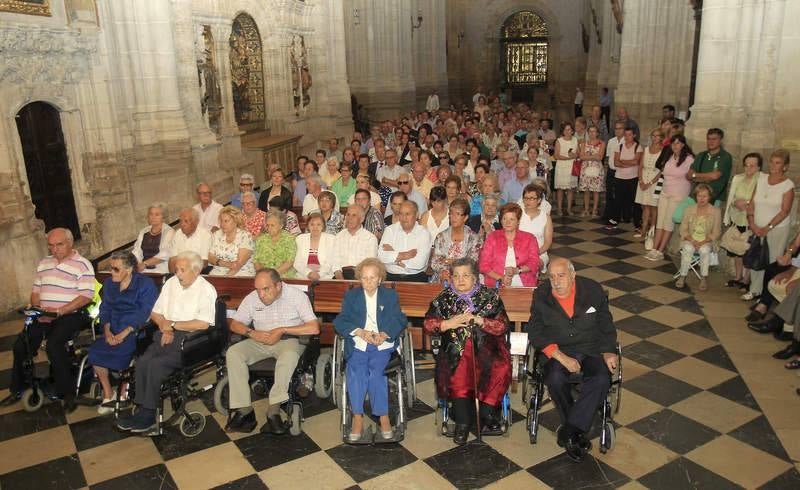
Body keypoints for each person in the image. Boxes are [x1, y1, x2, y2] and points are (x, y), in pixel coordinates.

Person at [527, 257, 618, 462]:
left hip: (591, 348)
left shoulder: (593, 290)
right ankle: (577, 432)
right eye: (552, 277)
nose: (556, 281)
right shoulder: (541, 295)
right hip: (558, 349)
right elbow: (535, 331)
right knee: (555, 379)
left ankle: (569, 431)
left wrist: (609, 351)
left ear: (573, 275)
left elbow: (605, 322)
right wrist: (560, 356)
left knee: (601, 379)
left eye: (561, 276)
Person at [116, 252, 217, 433]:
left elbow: (203, 323)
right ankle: (141, 407)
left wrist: (172, 325)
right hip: (165, 333)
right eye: (176, 269)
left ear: (196, 270)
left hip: (189, 340)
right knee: (142, 362)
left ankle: (148, 415)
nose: (177, 273)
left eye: (182, 270)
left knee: (156, 365)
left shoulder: (206, 289)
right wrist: (165, 326)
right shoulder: (171, 283)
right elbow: (155, 312)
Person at [0, 228, 95, 412]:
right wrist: (38, 309)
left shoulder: (82, 265)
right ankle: (18, 388)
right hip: (44, 314)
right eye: (51, 245)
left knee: (54, 345)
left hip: (71, 314)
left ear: (70, 243)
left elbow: (85, 297)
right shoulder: (44, 263)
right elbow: (36, 292)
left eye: (59, 244)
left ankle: (68, 394)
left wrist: (60, 311)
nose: (54, 249)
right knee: (21, 346)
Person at [424, 258, 511, 445]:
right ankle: (463, 423)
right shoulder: (443, 299)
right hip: (454, 351)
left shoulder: (490, 297)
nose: (460, 280)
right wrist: (447, 323)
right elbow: (429, 323)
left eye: (465, 275)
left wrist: (481, 321)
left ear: (475, 277)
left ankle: (486, 412)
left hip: (489, 350)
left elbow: (502, 325)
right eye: (456, 276)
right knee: (459, 372)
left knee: (499, 369)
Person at [223, 268, 320, 434]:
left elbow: (314, 328)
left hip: (287, 340)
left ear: (279, 285)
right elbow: (235, 324)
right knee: (233, 353)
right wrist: (252, 333)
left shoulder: (297, 297)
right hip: (259, 340)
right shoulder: (252, 298)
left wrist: (282, 330)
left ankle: (273, 410)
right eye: (258, 289)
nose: (261, 295)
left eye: (265, 289)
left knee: (288, 357)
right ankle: (244, 410)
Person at [333, 258, 407, 441]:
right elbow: (341, 321)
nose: (368, 282)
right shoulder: (352, 296)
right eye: (364, 278)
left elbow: (399, 319)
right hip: (359, 343)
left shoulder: (390, 296)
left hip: (382, 345)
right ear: (359, 279)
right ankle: (357, 417)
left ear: (380, 279)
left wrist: (385, 333)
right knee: (356, 372)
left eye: (372, 278)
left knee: (377, 373)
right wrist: (360, 332)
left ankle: (383, 417)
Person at [88, 252, 158, 414]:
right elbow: (105, 309)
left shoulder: (144, 284)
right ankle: (108, 393)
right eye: (110, 268)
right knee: (95, 351)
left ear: (129, 269)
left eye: (115, 269)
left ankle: (124, 390)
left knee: (123, 351)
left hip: (136, 330)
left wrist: (123, 334)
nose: (111, 272)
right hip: (113, 328)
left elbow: (144, 312)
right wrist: (107, 332)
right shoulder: (110, 284)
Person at [743, 149, 794, 301]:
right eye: (771, 162)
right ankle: (754, 290)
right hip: (757, 227)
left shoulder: (787, 185)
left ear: (784, 166)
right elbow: (751, 203)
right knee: (756, 257)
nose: (773, 166)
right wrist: (752, 223)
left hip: (776, 229)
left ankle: (766, 295)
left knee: (771, 261)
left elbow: (785, 211)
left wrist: (767, 228)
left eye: (777, 163)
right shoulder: (761, 179)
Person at [645, 135, 694, 261]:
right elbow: (663, 172)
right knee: (660, 221)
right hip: (665, 192)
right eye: (673, 143)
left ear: (683, 144)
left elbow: (690, 176)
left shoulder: (688, 159)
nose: (675, 146)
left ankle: (661, 250)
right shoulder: (670, 157)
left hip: (678, 194)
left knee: (668, 223)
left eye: (678, 143)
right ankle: (654, 248)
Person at [722, 153, 762, 289]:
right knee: (736, 250)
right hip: (737, 219)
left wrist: (747, 202)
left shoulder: (762, 180)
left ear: (759, 167)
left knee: (748, 251)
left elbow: (761, 200)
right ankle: (738, 277)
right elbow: (731, 197)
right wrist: (735, 202)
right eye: (746, 165)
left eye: (752, 165)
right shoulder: (738, 178)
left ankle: (746, 280)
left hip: (752, 222)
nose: (748, 168)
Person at [479, 203, 540, 287]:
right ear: (501, 221)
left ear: (518, 221)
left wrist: (517, 270)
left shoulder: (530, 238)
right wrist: (501, 278)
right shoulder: (493, 237)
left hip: (524, 283)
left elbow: (535, 262)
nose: (507, 222)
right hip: (496, 282)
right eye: (504, 219)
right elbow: (484, 265)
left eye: (512, 219)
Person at [675, 184, 722, 290]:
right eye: (699, 196)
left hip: (707, 240)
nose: (701, 199)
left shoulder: (715, 211)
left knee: (705, 250)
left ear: (710, 197)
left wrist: (703, 242)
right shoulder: (689, 209)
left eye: (705, 196)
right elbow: (682, 229)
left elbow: (716, 232)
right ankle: (683, 276)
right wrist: (692, 240)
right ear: (695, 196)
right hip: (690, 239)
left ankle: (703, 278)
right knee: (687, 248)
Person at [378, 201, 432, 282]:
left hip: (416, 278)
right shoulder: (390, 230)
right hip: (390, 277)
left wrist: (393, 255)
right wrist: (405, 255)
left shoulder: (424, 233)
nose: (404, 218)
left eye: (407, 214)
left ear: (416, 215)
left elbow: (419, 263)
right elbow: (381, 256)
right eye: (401, 214)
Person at [431, 199, 483, 284]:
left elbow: (471, 263)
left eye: (458, 214)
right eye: (451, 213)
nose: (453, 217)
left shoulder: (474, 238)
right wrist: (445, 272)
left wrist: (449, 261)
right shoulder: (441, 236)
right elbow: (435, 262)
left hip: (466, 280)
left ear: (465, 217)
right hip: (443, 278)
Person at [687, 128, 734, 205]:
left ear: (721, 140)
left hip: (714, 197)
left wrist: (696, 176)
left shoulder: (725, 157)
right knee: (677, 215)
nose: (710, 142)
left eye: (714, 139)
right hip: (695, 195)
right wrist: (706, 177)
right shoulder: (701, 155)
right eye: (708, 139)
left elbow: (715, 176)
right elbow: (688, 176)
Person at [333, 205, 379, 279]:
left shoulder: (370, 238)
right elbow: (335, 262)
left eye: (354, 215)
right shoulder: (339, 236)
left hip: (361, 276)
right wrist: (341, 281)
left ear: (362, 219)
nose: (349, 218)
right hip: (340, 275)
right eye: (348, 214)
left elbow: (370, 263)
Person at [208, 206, 255, 277]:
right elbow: (211, 257)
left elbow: (238, 264)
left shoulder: (245, 236)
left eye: (226, 221)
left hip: (241, 275)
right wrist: (226, 264)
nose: (222, 224)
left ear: (235, 221)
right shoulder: (217, 234)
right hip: (217, 273)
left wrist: (224, 279)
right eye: (221, 221)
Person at [635, 129, 664, 240]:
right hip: (644, 178)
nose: (655, 138)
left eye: (657, 136)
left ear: (661, 137)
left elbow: (662, 170)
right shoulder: (646, 149)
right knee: (645, 206)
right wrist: (641, 180)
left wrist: (651, 182)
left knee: (653, 207)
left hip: (654, 180)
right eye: (653, 135)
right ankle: (643, 230)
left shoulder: (663, 150)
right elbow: (640, 166)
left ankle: (652, 230)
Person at [612, 127, 644, 231]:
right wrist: (628, 162)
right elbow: (615, 162)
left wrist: (623, 161)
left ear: (634, 135)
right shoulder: (619, 146)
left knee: (635, 201)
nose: (627, 137)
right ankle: (615, 219)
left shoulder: (638, 147)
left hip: (633, 178)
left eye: (629, 134)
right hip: (619, 177)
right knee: (618, 200)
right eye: (625, 135)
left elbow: (636, 162)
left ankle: (637, 223)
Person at [132, 203, 175, 273]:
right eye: (151, 214)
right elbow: (137, 251)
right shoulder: (143, 231)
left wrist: (145, 263)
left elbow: (166, 253)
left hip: (159, 271)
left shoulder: (169, 232)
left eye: (157, 215)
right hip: (142, 271)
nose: (153, 217)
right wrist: (136, 264)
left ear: (163, 217)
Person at [253, 210, 298, 278]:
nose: (269, 228)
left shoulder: (289, 239)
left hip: (284, 276)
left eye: (272, 225)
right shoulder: (260, 240)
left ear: (281, 225)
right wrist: (263, 274)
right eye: (267, 225)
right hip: (264, 277)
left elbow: (289, 262)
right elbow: (256, 261)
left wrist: (272, 276)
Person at [519, 184, 553, 272]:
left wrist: (534, 253)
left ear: (539, 200)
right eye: (526, 198)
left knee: (533, 264)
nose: (528, 201)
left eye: (532, 198)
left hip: (539, 253)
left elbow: (547, 242)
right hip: (518, 251)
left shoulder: (545, 217)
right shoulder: (518, 214)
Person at [294, 213, 336, 280]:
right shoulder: (300, 239)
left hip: (324, 277)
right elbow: (297, 262)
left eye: (318, 224)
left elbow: (330, 262)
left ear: (323, 226)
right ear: (308, 226)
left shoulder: (331, 239)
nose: (315, 227)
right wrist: (308, 273)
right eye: (312, 224)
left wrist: (319, 274)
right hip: (303, 276)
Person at [170, 208, 212, 273]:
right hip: (179, 271)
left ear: (196, 222)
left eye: (186, 221)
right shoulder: (178, 233)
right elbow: (172, 260)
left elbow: (204, 263)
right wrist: (172, 277)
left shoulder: (205, 235)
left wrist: (186, 273)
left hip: (197, 272)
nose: (182, 224)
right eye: (180, 221)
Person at [578, 126, 606, 217]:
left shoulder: (602, 143)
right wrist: (594, 156)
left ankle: (594, 210)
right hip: (586, 168)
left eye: (594, 131)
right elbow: (581, 157)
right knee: (586, 190)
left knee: (596, 190)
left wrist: (588, 155)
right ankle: (586, 209)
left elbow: (600, 157)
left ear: (597, 133)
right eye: (590, 131)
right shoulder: (583, 143)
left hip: (597, 168)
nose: (592, 133)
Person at [553, 122, 579, 216]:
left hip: (572, 166)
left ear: (572, 131)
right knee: (560, 189)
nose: (568, 131)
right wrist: (568, 158)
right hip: (561, 166)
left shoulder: (575, 140)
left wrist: (574, 155)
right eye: (566, 130)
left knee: (570, 189)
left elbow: (578, 153)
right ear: (563, 131)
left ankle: (569, 209)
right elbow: (556, 155)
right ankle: (559, 209)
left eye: (569, 129)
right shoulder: (559, 140)